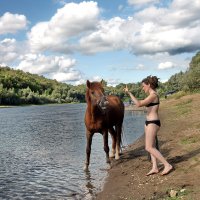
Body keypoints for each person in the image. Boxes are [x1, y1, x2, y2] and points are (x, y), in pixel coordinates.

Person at [124, 76, 173, 176]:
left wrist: (129, 93)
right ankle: (155, 167)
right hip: (148, 122)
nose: (143, 88)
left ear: (149, 85)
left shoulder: (153, 95)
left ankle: (167, 165)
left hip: (153, 122)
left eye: (143, 86)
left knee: (149, 147)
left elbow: (138, 104)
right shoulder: (151, 95)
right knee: (152, 146)